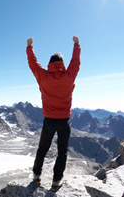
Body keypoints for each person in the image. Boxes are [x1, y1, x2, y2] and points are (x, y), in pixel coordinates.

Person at [26, 36, 81, 191]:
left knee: (42, 150)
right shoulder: (69, 75)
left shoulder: (43, 76)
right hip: (65, 122)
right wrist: (76, 45)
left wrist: (30, 47)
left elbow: (33, 64)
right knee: (62, 152)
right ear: (62, 64)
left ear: (49, 64)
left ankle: (36, 177)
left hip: (49, 121)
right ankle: (56, 182)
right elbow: (75, 62)